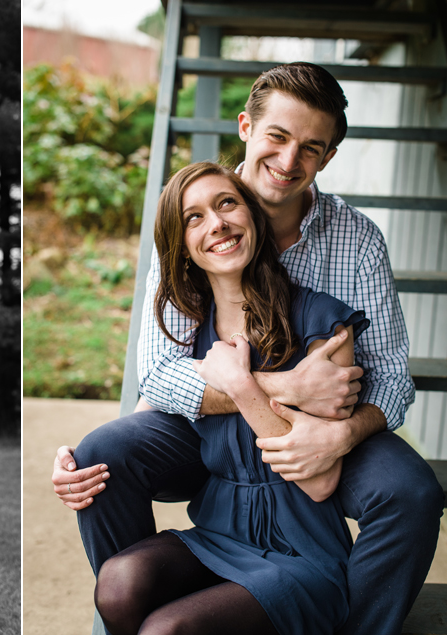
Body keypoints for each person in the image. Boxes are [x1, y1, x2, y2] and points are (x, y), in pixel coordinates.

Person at [52, 62, 444, 634]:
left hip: (326, 426)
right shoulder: (194, 218)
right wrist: (280, 386)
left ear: (328, 157)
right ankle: (177, 606)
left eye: (311, 148)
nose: (289, 163)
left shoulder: (355, 241)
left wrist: (340, 433)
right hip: (215, 428)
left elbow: (388, 374)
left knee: (411, 491)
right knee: (102, 457)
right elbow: (159, 375)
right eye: (278, 138)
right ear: (246, 128)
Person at [95, 160, 367, 635]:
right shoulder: (188, 334)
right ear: (181, 249)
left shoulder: (324, 323)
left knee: (166, 630)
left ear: (253, 218)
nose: (216, 223)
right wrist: (76, 459)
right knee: (117, 584)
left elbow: (321, 484)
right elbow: (147, 417)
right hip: (217, 532)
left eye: (226, 204)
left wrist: (241, 385)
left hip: (301, 550)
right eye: (194, 217)